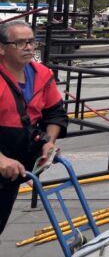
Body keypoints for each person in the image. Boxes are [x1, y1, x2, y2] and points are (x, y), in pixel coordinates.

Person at [0, 21, 68, 234]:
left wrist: (49, 142)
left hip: (16, 168)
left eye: (31, 41)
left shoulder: (42, 74)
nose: (29, 47)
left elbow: (55, 113)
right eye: (20, 43)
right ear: (1, 48)